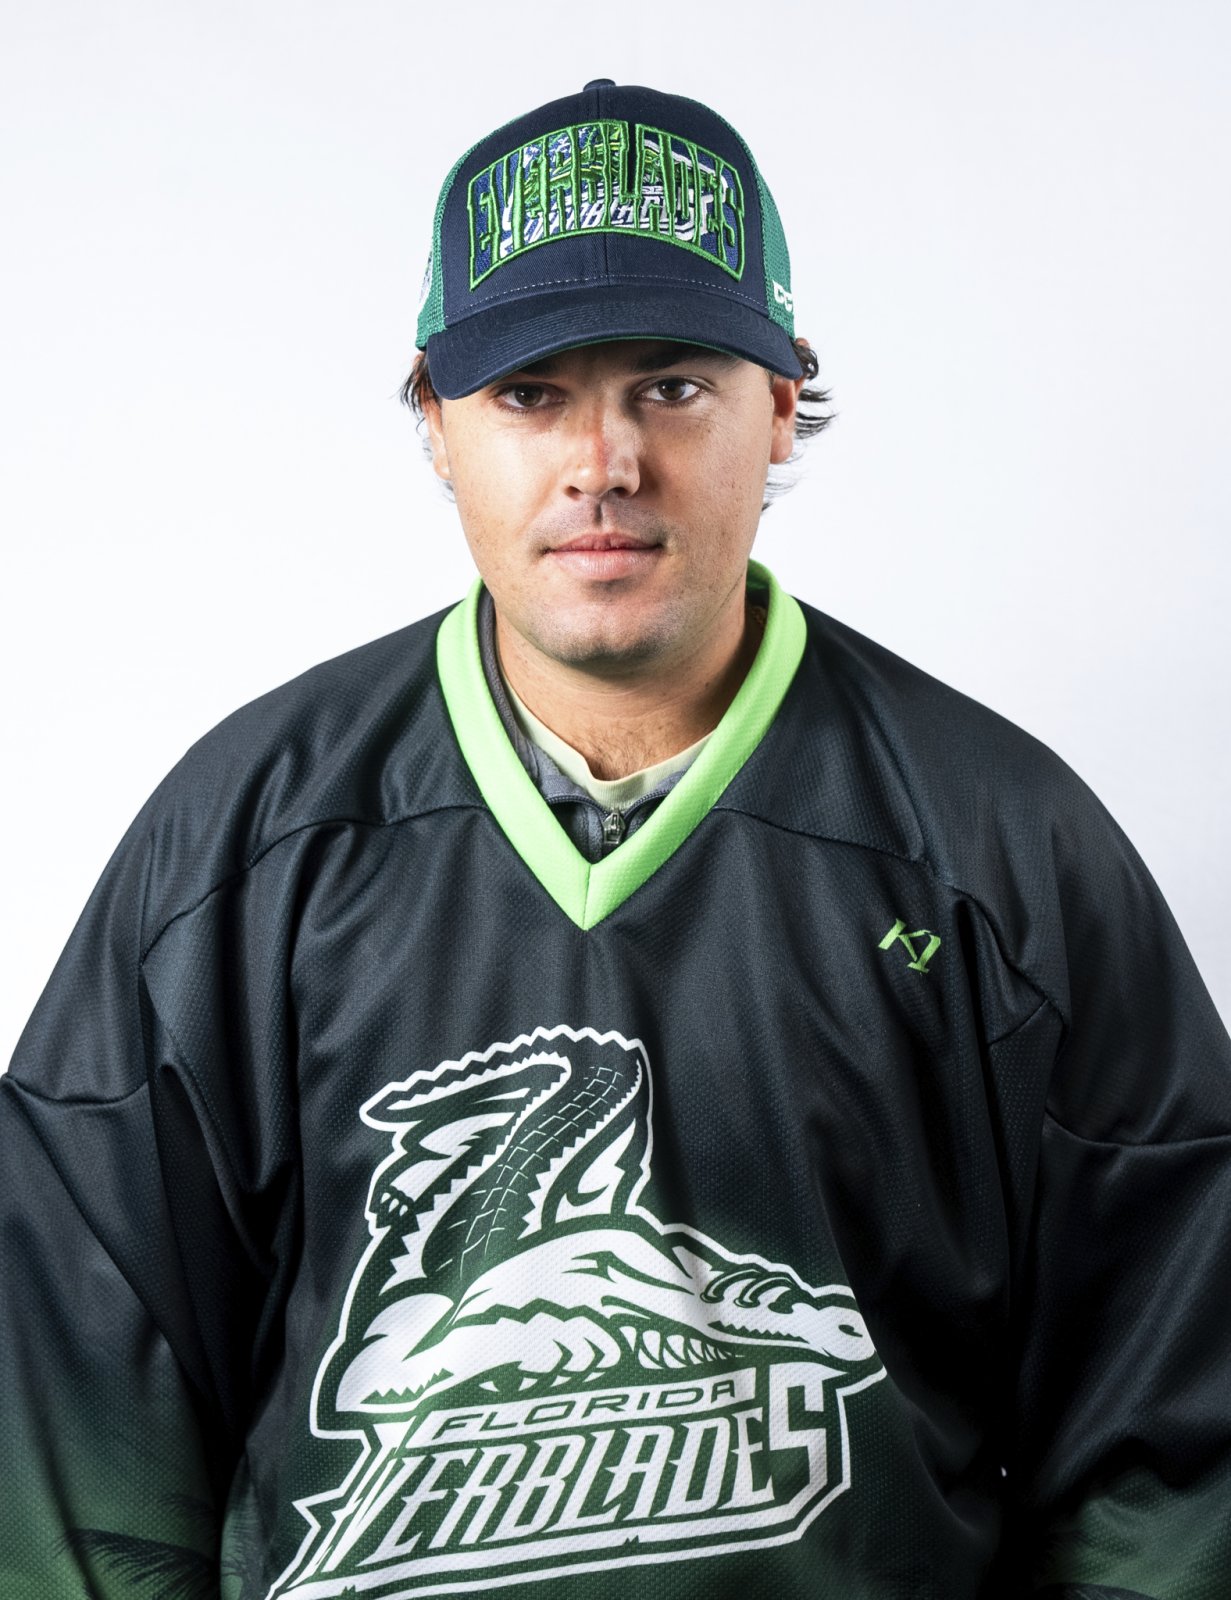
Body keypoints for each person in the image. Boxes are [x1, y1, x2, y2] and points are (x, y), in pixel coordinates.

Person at [1, 78, 1228, 1600]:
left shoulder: (1000, 851)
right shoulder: (248, 844)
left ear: (781, 404)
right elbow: (72, 1423)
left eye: (673, 387)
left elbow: (1176, 1437)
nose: (604, 463)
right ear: (435, 421)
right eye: (530, 395)